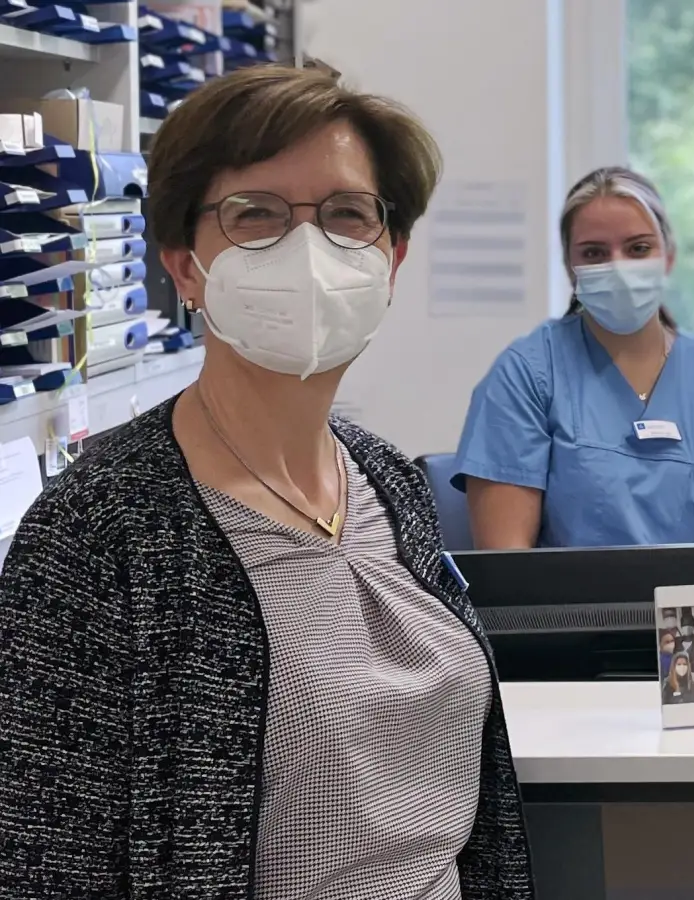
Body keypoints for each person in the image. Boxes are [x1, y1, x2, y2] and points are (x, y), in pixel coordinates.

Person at [0, 66, 533, 898]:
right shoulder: (97, 533)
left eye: (347, 215)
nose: (310, 252)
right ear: (184, 265)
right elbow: (44, 866)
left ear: (390, 257)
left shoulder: (388, 479)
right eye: (257, 216)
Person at [454, 166, 694, 548]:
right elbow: (505, 567)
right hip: (568, 608)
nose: (619, 267)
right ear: (569, 268)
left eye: (639, 248)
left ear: (668, 257)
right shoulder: (527, 374)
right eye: (594, 253)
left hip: (690, 607)